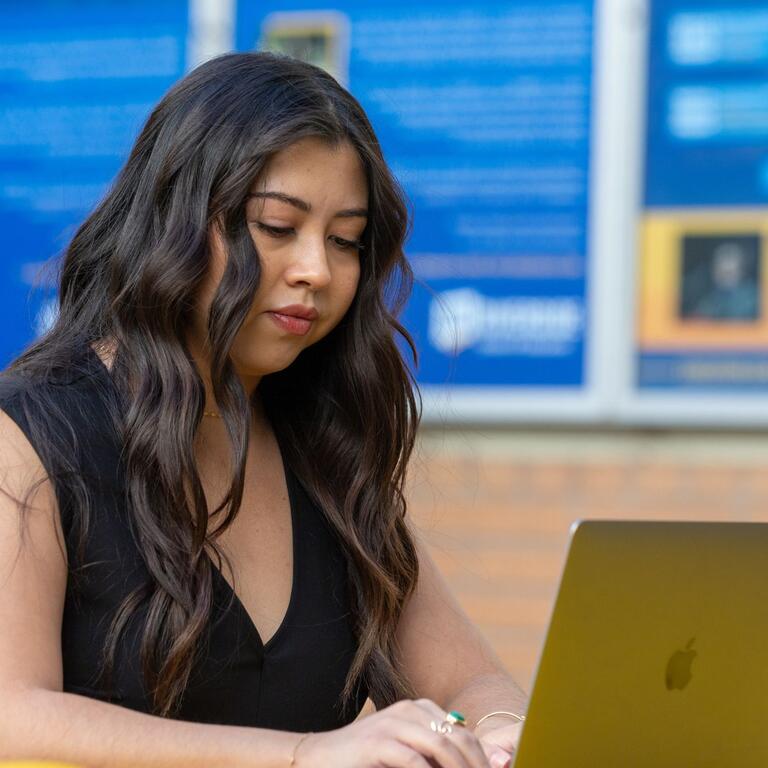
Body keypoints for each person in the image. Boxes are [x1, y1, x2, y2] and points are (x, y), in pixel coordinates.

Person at [0, 52, 526, 767]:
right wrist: (305, 755)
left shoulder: (324, 452)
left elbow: (472, 678)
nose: (317, 269)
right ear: (172, 221)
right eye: (277, 227)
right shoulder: (31, 435)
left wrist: (496, 729)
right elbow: (13, 717)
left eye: (345, 240)